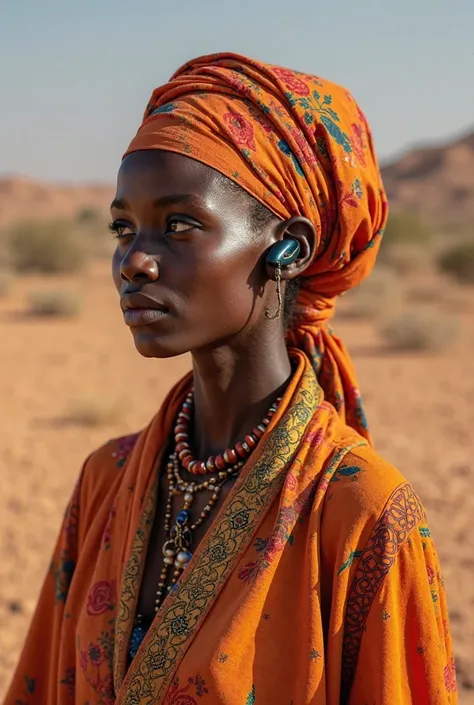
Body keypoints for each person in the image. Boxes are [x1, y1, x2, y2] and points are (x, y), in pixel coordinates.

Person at [5, 53, 457, 705]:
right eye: (123, 229)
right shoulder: (106, 479)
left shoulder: (361, 513)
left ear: (289, 246)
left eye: (179, 225)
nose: (134, 262)